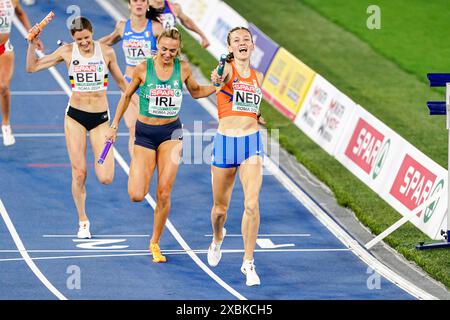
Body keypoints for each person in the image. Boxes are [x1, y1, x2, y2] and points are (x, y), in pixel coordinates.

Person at [105, 27, 215, 263]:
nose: (167, 54)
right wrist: (114, 126)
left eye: (172, 51)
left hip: (171, 133)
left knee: (164, 191)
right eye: (164, 49)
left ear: (179, 50)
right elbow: (126, 96)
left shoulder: (182, 68)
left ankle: (155, 242)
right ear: (157, 45)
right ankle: (142, 167)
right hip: (144, 134)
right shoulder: (143, 67)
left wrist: (219, 86)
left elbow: (196, 92)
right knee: (136, 194)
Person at [26, 17, 128, 239]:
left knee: (105, 177)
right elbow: (32, 67)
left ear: (92, 33)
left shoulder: (107, 52)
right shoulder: (67, 52)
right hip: (75, 118)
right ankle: (83, 220)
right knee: (79, 172)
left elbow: (123, 85)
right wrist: (32, 43)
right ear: (73, 38)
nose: (83, 43)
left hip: (101, 119)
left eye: (87, 38)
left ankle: (85, 212)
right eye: (79, 39)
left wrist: (134, 109)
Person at [207, 27, 264, 286]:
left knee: (251, 204)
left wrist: (257, 116)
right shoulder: (227, 69)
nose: (242, 43)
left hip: (251, 143)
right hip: (225, 144)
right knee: (220, 210)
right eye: (236, 40)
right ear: (230, 48)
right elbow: (218, 78)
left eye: (246, 40)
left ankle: (248, 262)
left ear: (252, 46)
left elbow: (251, 106)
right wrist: (218, 76)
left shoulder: (258, 76)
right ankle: (218, 237)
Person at [100, 0, 163, 158]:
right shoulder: (122, 27)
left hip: (151, 85)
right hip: (129, 83)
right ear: (129, 5)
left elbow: (171, 51)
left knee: (152, 129)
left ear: (147, 4)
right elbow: (107, 41)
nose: (139, 3)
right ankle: (136, 170)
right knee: (133, 128)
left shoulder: (156, 28)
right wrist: (78, 47)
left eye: (143, 0)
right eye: (135, 0)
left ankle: (150, 164)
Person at [0, 0, 43, 146]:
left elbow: (20, 13)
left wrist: (32, 34)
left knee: (3, 87)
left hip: (3, 48)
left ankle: (6, 124)